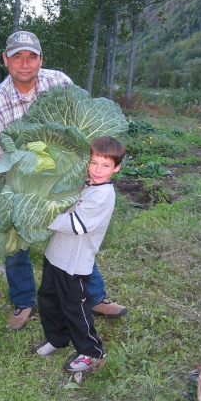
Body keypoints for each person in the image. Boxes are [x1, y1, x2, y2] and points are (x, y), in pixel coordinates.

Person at [0, 31, 127, 331]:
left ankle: (94, 295)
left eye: (31, 56)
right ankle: (23, 301)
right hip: (22, 186)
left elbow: (86, 132)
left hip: (70, 179)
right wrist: (13, 192)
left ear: (40, 60)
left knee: (79, 240)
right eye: (17, 56)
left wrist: (90, 172)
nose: (25, 63)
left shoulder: (58, 83)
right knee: (14, 240)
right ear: (6, 59)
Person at [32, 136, 126, 373]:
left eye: (106, 166)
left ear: (117, 168)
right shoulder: (85, 183)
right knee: (48, 300)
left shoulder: (103, 195)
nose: (98, 170)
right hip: (56, 254)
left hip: (74, 263)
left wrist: (42, 215)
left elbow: (76, 224)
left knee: (75, 307)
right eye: (94, 163)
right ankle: (57, 339)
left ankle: (91, 352)